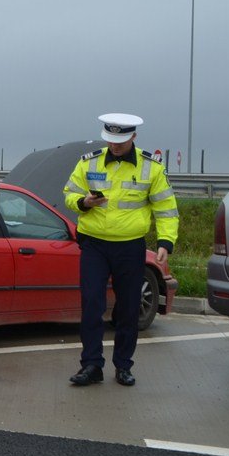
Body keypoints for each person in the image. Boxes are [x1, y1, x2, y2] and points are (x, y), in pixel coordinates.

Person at [63, 113, 178, 387]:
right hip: (94, 244)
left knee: (128, 308)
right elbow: (68, 193)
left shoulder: (152, 168)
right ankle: (91, 365)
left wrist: (165, 242)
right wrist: (83, 202)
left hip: (130, 246)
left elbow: (166, 209)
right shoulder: (88, 162)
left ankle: (124, 365)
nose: (115, 146)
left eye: (121, 140)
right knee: (91, 304)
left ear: (133, 137)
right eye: (110, 140)